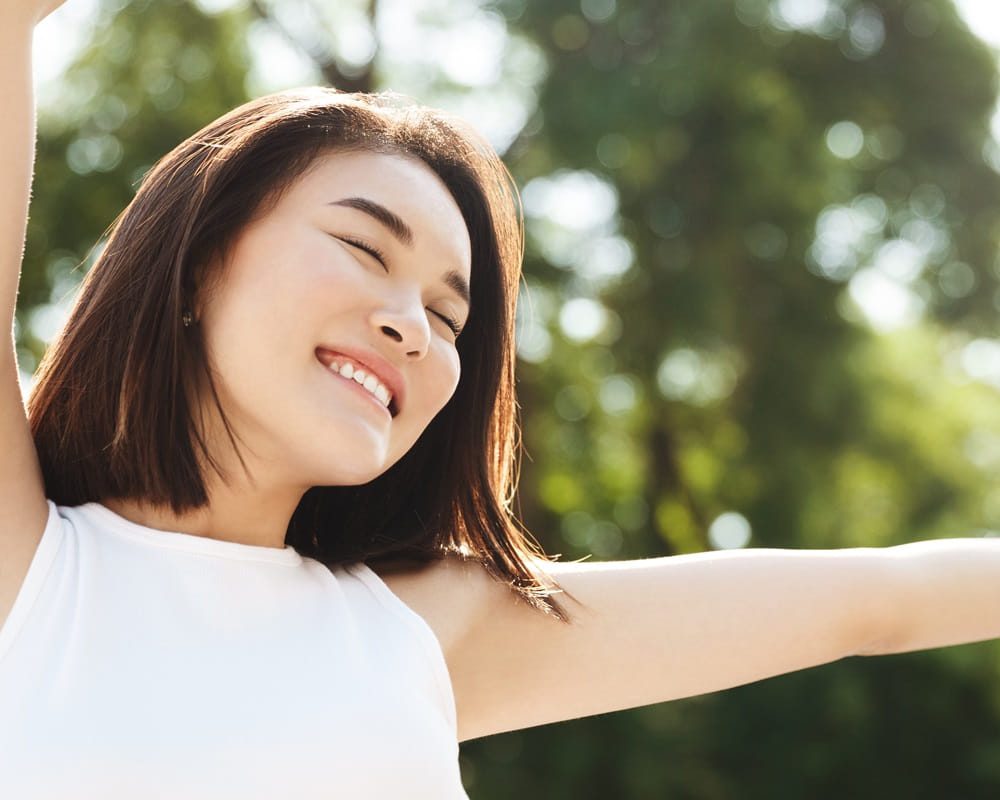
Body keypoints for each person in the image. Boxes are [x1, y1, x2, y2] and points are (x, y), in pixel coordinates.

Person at [2, 1, 999, 797]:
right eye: (362, 246)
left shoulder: (418, 627)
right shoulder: (33, 566)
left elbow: (878, 598)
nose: (413, 326)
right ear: (193, 265)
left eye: (451, 313)